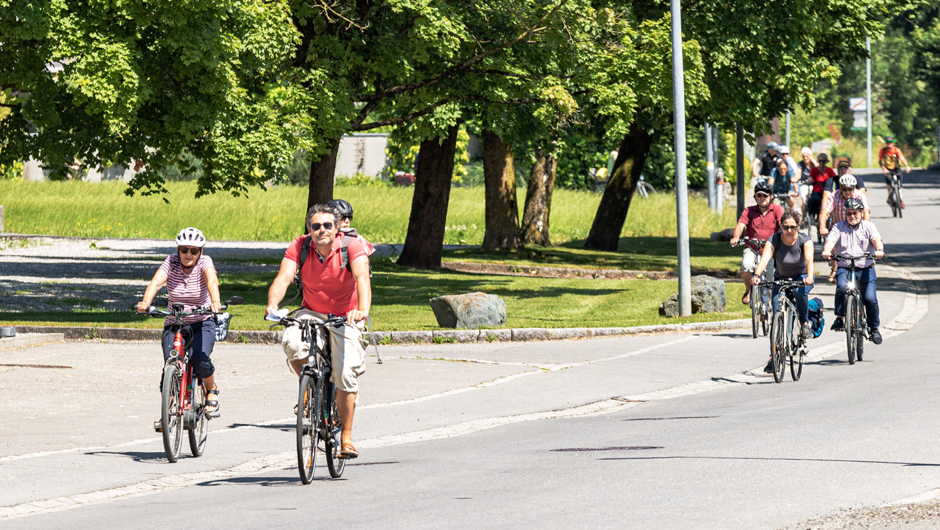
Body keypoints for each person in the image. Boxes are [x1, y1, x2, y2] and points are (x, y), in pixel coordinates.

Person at [265, 204, 372, 459]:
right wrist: (273, 305)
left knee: (345, 373)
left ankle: (346, 437)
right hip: (310, 310)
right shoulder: (300, 246)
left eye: (327, 225)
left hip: (345, 314)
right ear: (309, 229)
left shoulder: (351, 246)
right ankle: (310, 386)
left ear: (337, 228)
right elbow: (284, 277)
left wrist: (362, 310)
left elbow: (362, 278)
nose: (321, 230)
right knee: (291, 342)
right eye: (315, 226)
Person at [137, 227, 222, 430]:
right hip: (174, 323)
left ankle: (211, 390)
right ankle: (167, 411)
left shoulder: (205, 262)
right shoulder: (171, 262)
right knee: (170, 364)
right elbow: (156, 283)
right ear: (178, 250)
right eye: (184, 250)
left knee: (198, 359)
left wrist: (215, 301)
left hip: (202, 322)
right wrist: (145, 302)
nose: (188, 255)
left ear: (200, 251)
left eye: (194, 250)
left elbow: (212, 281)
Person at [751, 209, 815, 373]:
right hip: (781, 278)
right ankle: (774, 356)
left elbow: (809, 260)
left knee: (801, 294)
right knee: (776, 313)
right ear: (781, 225)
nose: (788, 230)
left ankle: (805, 323)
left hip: (801, 277)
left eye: (792, 227)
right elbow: (765, 258)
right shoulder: (774, 240)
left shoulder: (804, 241)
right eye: (785, 227)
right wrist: (757, 275)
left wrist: (809, 277)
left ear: (798, 226)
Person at [821, 198, 885, 344]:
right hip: (845, 267)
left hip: (865, 268)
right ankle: (839, 318)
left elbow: (876, 239)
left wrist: (879, 250)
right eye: (849, 213)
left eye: (855, 213)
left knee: (870, 298)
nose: (852, 216)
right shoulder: (838, 227)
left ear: (861, 213)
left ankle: (874, 328)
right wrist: (826, 251)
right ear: (845, 214)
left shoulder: (868, 226)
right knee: (842, 286)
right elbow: (830, 241)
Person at [730, 181, 783, 305]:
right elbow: (740, 225)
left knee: (770, 278)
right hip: (752, 247)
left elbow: (782, 224)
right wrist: (736, 237)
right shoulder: (749, 211)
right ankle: (748, 290)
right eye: (759, 195)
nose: (762, 198)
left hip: (769, 249)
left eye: (765, 195)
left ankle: (771, 304)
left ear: (771, 196)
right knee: (746, 265)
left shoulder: (777, 209)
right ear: (755, 197)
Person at [879, 136, 911, 208]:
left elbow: (902, 158)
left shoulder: (896, 150)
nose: (889, 144)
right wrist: (884, 169)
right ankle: (889, 196)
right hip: (888, 169)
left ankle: (900, 200)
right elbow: (880, 162)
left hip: (896, 168)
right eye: (887, 143)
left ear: (893, 143)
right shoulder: (883, 151)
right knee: (889, 181)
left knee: (900, 183)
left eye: (890, 142)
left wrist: (906, 166)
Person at [806, 153, 835, 221]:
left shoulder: (829, 170)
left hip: (827, 190)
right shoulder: (814, 170)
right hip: (817, 190)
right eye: (820, 161)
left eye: (823, 161)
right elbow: (810, 178)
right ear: (818, 161)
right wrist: (810, 181)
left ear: (826, 162)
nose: (821, 163)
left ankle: (828, 216)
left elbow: (835, 179)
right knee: (815, 199)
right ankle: (813, 215)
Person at [797, 147, 817, 216]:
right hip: (804, 184)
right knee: (804, 201)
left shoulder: (814, 164)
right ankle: (803, 218)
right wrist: (795, 178)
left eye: (807, 156)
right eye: (803, 156)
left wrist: (813, 161)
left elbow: (820, 170)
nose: (805, 158)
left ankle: (815, 216)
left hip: (813, 184)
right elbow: (798, 173)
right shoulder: (801, 164)